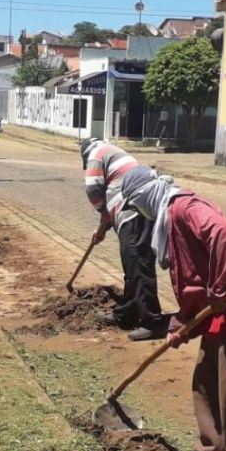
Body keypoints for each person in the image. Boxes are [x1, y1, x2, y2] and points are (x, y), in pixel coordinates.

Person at [120, 166, 226, 451]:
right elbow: (194, 286)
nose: (139, 213)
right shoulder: (170, 222)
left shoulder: (183, 207)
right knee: (205, 387)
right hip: (218, 319)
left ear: (145, 195)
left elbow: (221, 231)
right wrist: (180, 327)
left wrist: (218, 287)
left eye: (136, 204)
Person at [80, 138, 167, 341]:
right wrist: (103, 227)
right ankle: (127, 315)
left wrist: (104, 215)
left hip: (133, 212)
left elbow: (93, 190)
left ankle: (152, 322)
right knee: (133, 265)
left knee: (137, 265)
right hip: (140, 210)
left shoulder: (96, 155)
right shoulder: (113, 152)